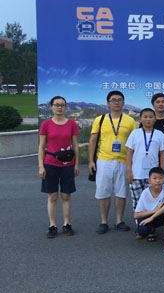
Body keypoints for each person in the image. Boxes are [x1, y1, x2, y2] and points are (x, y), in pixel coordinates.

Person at [88, 90, 137, 234]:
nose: (116, 102)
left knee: (121, 192)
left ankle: (119, 221)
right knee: (103, 192)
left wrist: (132, 164)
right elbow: (93, 140)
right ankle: (104, 221)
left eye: (119, 100)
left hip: (123, 160)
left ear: (123, 103)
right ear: (108, 103)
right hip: (104, 160)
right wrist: (91, 161)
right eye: (113, 100)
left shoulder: (130, 121)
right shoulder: (100, 119)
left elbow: (135, 142)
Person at [38, 96, 80, 238]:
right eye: (56, 105)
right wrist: (41, 166)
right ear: (51, 107)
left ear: (65, 107)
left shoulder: (71, 124)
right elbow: (41, 147)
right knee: (52, 196)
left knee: (66, 195)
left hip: (67, 164)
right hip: (50, 163)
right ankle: (52, 225)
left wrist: (76, 164)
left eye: (62, 105)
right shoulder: (46, 124)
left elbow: (75, 146)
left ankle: (66, 224)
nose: (59, 107)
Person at [125, 108, 164, 210]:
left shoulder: (159, 134)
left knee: (151, 202)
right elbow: (129, 153)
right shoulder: (135, 133)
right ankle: (139, 220)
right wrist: (129, 171)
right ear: (140, 119)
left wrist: (161, 172)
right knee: (137, 202)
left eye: (151, 117)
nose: (148, 119)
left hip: (153, 175)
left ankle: (150, 220)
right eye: (145, 117)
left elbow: (162, 154)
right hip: (136, 174)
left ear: (155, 119)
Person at [133, 167, 164, 242]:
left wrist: (153, 217)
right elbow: (136, 215)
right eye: (154, 178)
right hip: (147, 215)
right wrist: (154, 211)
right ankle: (151, 229)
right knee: (142, 232)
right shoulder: (145, 193)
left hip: (159, 216)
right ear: (149, 180)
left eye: (160, 178)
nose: (158, 181)